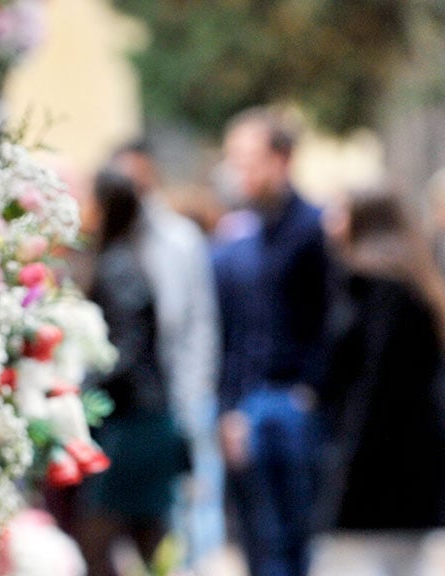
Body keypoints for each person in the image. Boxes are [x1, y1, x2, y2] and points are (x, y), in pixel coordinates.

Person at [211, 107, 330, 576]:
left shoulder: (316, 229)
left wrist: (310, 392)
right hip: (249, 407)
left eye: (247, 159)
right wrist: (229, 408)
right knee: (259, 545)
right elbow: (239, 333)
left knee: (292, 543)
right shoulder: (245, 234)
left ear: (281, 160)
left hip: (294, 407)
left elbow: (328, 325)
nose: (237, 171)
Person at [309, 186, 445, 576]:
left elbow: (373, 387)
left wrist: (346, 471)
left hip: (375, 469)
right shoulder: (415, 284)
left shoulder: (377, 288)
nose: (331, 223)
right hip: (414, 466)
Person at [110, 141, 225, 571]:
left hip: (178, 393)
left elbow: (198, 322)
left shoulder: (179, 239)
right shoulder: (112, 241)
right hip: (133, 405)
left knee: (189, 512)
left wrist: (195, 392)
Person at [77, 170, 185, 576]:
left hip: (134, 423)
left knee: (102, 536)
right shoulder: (126, 260)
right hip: (144, 417)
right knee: (150, 543)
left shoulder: (118, 268)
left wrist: (81, 390)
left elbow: (125, 352)